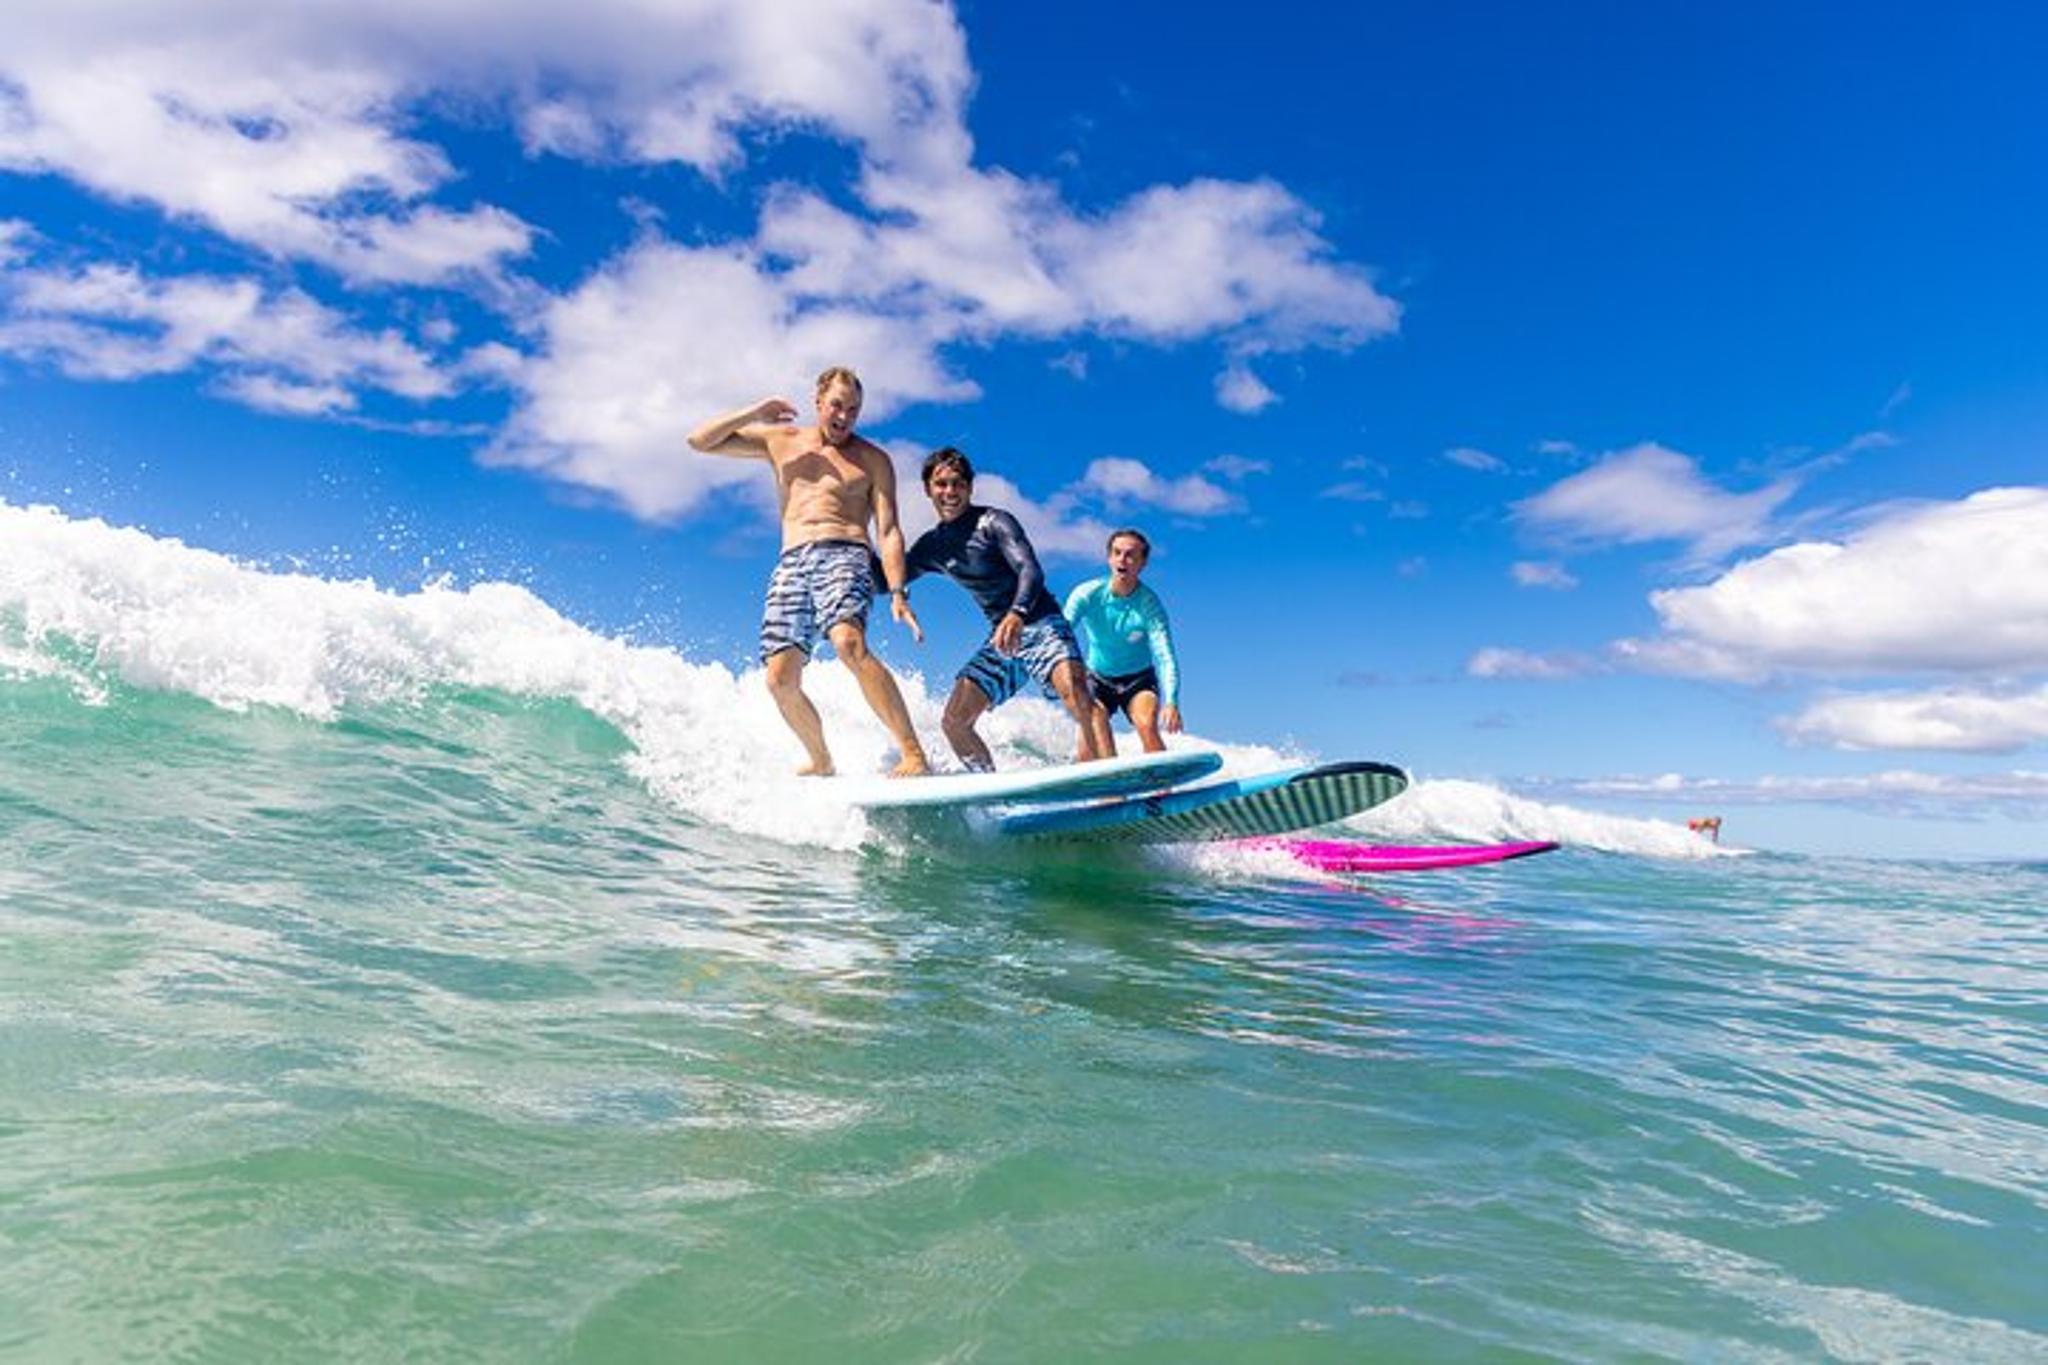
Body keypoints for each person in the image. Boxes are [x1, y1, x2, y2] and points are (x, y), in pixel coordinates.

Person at [686, 367, 930, 778]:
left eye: (853, 410)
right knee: (779, 679)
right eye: (836, 405)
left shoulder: (873, 460)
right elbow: (699, 440)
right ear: (818, 402)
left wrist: (899, 591)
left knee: (848, 642)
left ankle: (913, 754)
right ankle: (821, 759)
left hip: (846, 552)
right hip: (792, 561)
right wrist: (756, 412)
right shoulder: (781, 441)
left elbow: (888, 531)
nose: (843, 417)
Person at [903, 447, 1113, 771]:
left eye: (957, 483)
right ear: (928, 489)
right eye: (941, 484)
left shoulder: (994, 522)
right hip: (1003, 640)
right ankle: (994, 795)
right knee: (955, 722)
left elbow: (1030, 570)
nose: (950, 492)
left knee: (1080, 700)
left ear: (970, 487)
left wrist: (1018, 613)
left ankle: (1117, 786)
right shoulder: (931, 546)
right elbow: (889, 576)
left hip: (1040, 623)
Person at [1062, 527, 1183, 755]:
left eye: (1130, 555)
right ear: (1109, 558)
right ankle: (1092, 786)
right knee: (1087, 749)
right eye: (1117, 553)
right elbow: (1061, 632)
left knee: (1146, 724)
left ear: (1142, 563)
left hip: (1138, 680)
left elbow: (1165, 655)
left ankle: (1163, 789)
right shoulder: (1087, 594)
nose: (1122, 560)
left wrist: (1172, 701)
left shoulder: (1149, 605)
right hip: (1098, 678)